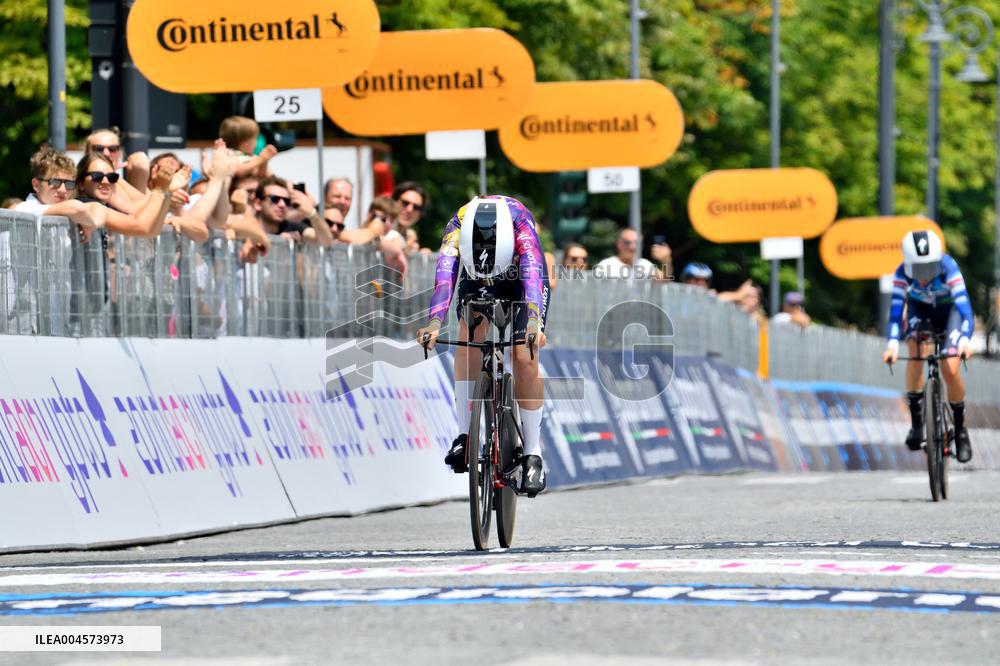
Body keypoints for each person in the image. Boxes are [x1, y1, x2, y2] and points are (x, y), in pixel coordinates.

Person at [416, 196, 550, 497]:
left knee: (523, 354)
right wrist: (435, 323)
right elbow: (444, 276)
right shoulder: (457, 225)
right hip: (475, 278)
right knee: (469, 333)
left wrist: (533, 323)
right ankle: (464, 435)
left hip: (519, 279)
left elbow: (532, 278)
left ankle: (532, 453)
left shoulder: (521, 225)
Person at [882, 230, 974, 463]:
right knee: (914, 350)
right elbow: (895, 314)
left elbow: (965, 310)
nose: (923, 275)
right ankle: (916, 423)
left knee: (950, 369)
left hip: (949, 312)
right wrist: (892, 345)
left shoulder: (948, 267)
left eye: (929, 267)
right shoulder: (901, 273)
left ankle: (961, 430)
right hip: (920, 310)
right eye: (918, 269)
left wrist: (964, 341)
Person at [251, 176, 332, 246]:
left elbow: (325, 241)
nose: (282, 204)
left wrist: (312, 213)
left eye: (286, 201)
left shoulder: (291, 227)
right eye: (275, 199)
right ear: (257, 204)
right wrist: (278, 241)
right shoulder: (246, 226)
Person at [594, 229, 669, 279]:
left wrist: (667, 260)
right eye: (627, 242)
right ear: (618, 244)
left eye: (637, 243)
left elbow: (664, 280)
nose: (633, 247)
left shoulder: (644, 264)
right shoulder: (605, 265)